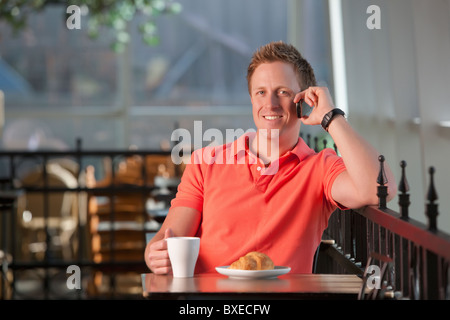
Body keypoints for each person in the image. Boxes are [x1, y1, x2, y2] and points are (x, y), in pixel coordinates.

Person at [144, 41, 396, 274]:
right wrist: (153, 253)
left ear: (305, 100)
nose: (270, 104)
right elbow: (169, 238)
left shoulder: (320, 169)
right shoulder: (205, 162)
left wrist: (331, 117)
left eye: (283, 92)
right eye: (261, 92)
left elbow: (379, 189)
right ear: (251, 99)